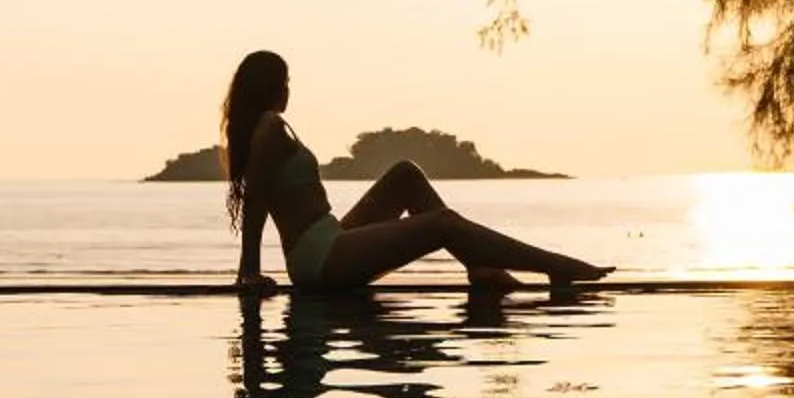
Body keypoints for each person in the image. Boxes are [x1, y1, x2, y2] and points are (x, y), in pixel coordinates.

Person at [220, 50, 611, 292]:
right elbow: (256, 200)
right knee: (442, 224)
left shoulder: (266, 128)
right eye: (286, 82)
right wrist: (249, 272)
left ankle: (480, 266)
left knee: (405, 174)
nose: (290, 90)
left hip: (328, 240)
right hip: (319, 260)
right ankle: (556, 266)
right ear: (271, 87)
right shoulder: (269, 130)